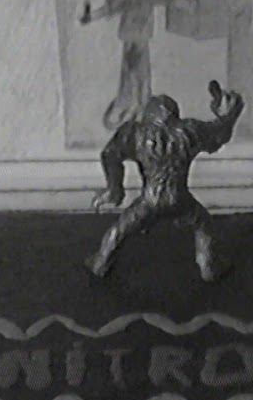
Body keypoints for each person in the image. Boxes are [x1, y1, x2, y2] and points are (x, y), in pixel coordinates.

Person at [85, 80, 244, 282]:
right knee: (203, 225)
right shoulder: (189, 131)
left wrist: (114, 189)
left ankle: (101, 262)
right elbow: (218, 136)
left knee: (119, 230)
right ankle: (208, 265)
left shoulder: (135, 133)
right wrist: (228, 116)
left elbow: (110, 154)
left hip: (149, 200)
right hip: (180, 199)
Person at [79, 0, 195, 131]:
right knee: (131, 72)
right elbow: (109, 8)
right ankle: (132, 105)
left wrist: (187, 1)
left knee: (138, 72)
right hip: (129, 39)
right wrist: (90, 16)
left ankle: (139, 106)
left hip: (140, 39)